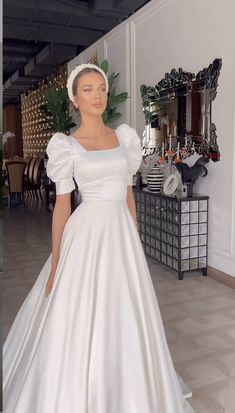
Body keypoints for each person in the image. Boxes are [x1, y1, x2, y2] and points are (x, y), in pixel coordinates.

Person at [3, 63, 192, 412]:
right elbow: (62, 207)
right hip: (86, 232)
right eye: (88, 89)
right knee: (80, 310)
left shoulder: (124, 138)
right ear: (75, 99)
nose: (97, 95)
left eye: (101, 88)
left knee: (127, 311)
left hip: (120, 232)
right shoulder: (67, 146)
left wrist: (133, 237)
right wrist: (58, 260)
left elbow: (127, 193)